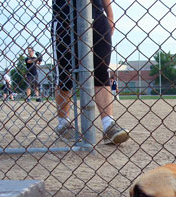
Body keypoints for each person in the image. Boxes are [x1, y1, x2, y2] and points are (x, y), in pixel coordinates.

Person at [52, 0, 129, 144]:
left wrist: (110, 16)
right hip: (64, 17)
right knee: (65, 74)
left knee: (101, 71)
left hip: (96, 16)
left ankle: (109, 125)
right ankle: (63, 123)